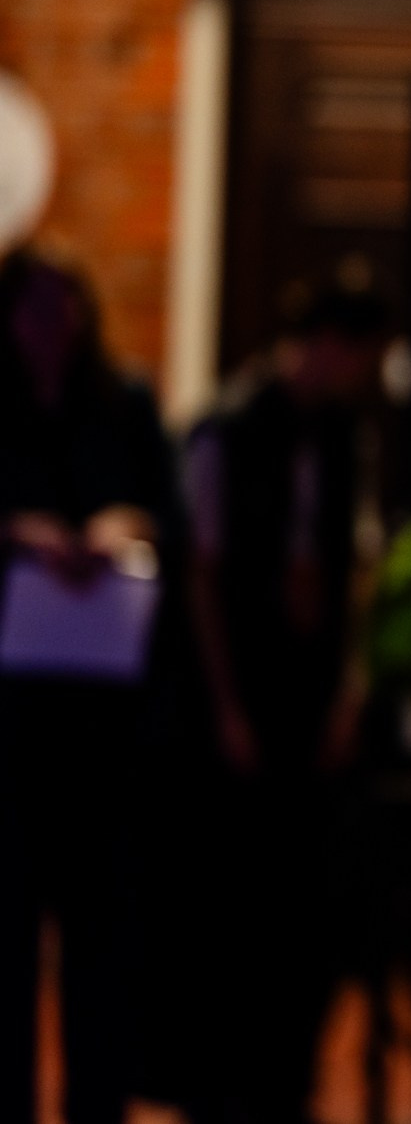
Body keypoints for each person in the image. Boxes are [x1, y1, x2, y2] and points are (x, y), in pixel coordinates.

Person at [180, 283, 391, 1124]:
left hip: (310, 688)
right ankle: (222, 1084)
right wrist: (224, 703)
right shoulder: (230, 427)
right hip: (244, 683)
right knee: (232, 899)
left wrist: (349, 687)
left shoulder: (344, 436)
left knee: (308, 900)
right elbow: (202, 571)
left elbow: (358, 566)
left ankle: (287, 1081)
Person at [0, 249, 180, 1124]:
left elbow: (173, 524)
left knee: (103, 946)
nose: (51, 326)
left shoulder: (125, 406)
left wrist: (122, 526)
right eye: (34, 309)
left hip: (106, 717)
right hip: (10, 719)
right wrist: (19, 535)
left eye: (64, 308)